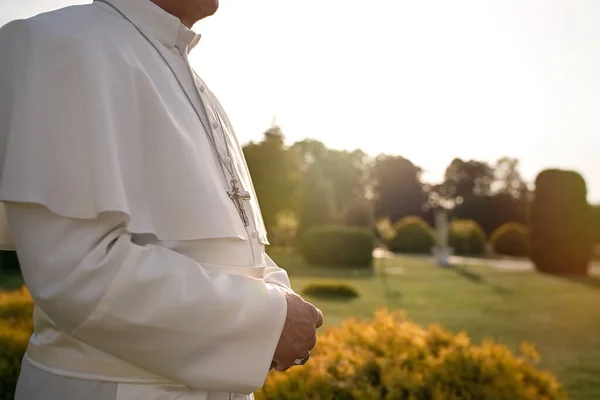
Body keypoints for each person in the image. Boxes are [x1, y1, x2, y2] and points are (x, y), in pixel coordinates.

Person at [0, 0, 324, 399]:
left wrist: (279, 294)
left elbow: (222, 246)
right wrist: (268, 320)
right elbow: (76, 270)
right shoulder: (59, 44)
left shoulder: (189, 76)